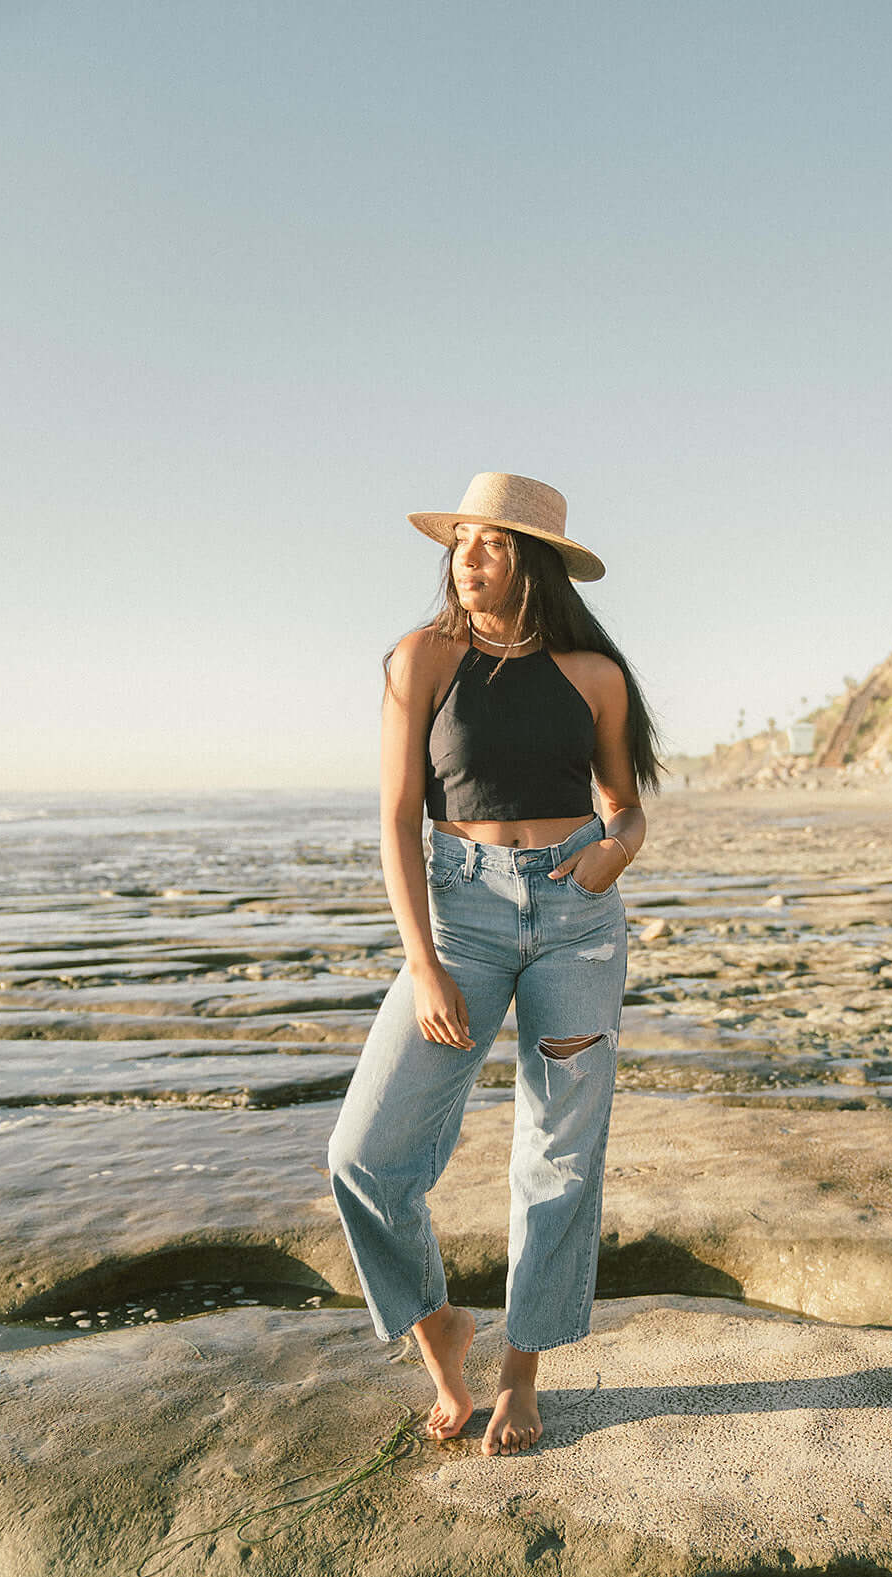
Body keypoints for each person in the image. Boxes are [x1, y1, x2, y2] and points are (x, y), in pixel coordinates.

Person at [327, 472, 661, 1456]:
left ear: (536, 563)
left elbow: (624, 802)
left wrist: (617, 848)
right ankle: (440, 1323)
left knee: (557, 1151)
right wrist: (420, 959)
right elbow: (395, 815)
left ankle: (521, 1369)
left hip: (576, 916)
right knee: (363, 1154)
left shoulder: (594, 673)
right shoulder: (420, 658)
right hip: (460, 912)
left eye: (493, 543)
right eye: (461, 540)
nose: (468, 557)